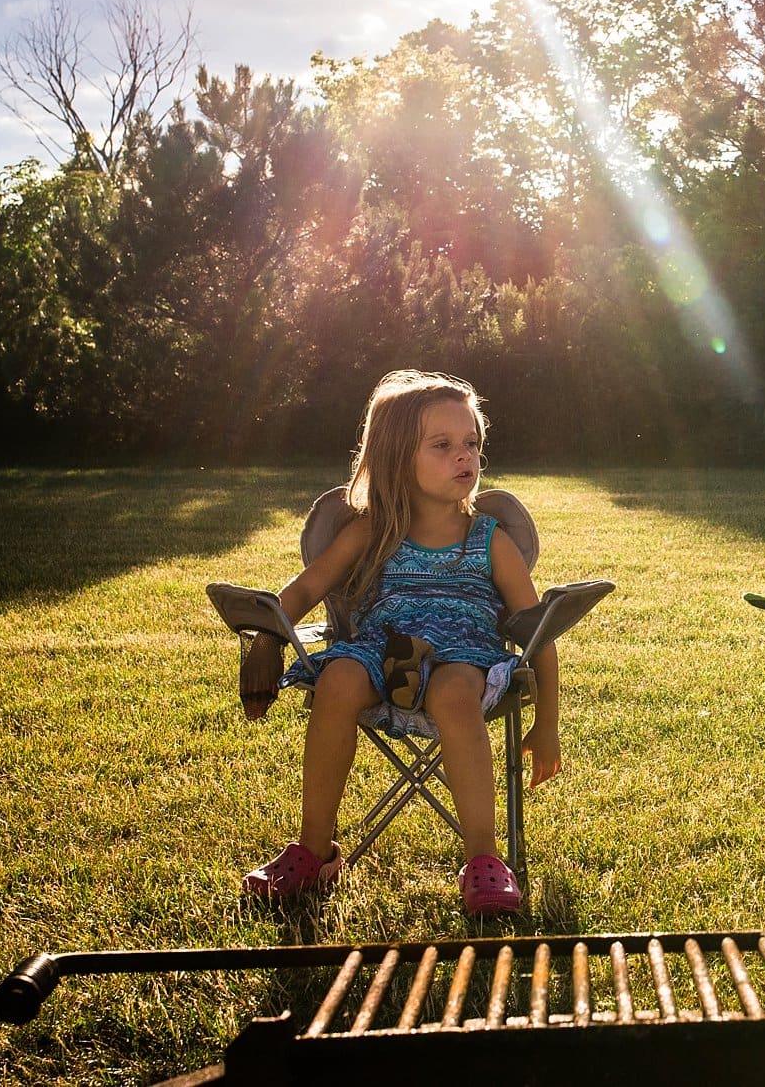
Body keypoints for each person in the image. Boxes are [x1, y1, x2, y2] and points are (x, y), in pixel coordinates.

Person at [236, 369, 559, 913]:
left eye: (471, 444)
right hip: (381, 648)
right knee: (337, 679)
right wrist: (267, 637)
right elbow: (307, 587)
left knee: (454, 693)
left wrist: (545, 724)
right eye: (442, 445)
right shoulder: (372, 530)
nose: (465, 457)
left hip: (464, 653)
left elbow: (539, 631)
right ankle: (315, 851)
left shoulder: (490, 539)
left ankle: (484, 859)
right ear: (394, 458)